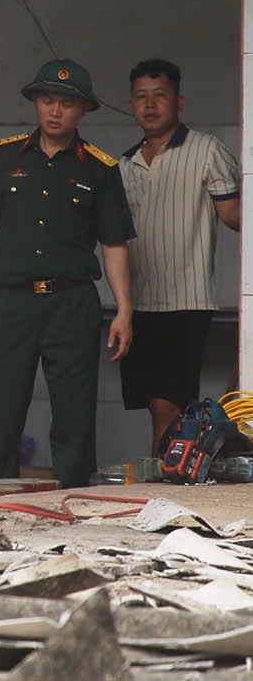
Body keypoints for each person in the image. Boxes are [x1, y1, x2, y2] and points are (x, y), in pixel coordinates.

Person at [0, 59, 134, 489]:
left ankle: (72, 498)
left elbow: (114, 244)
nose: (55, 111)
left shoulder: (100, 168)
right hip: (11, 302)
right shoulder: (7, 157)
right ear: (35, 103)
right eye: (47, 100)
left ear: (84, 110)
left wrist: (125, 309)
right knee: (0, 411)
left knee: (74, 415)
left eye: (67, 104)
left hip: (71, 303)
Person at [119, 58, 240, 450]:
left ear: (179, 102)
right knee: (156, 405)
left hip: (186, 301)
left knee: (167, 406)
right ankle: (171, 472)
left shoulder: (206, 150)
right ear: (131, 104)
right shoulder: (123, 165)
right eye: (141, 97)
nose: (150, 105)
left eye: (160, 95)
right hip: (138, 304)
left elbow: (234, 216)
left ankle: (166, 477)